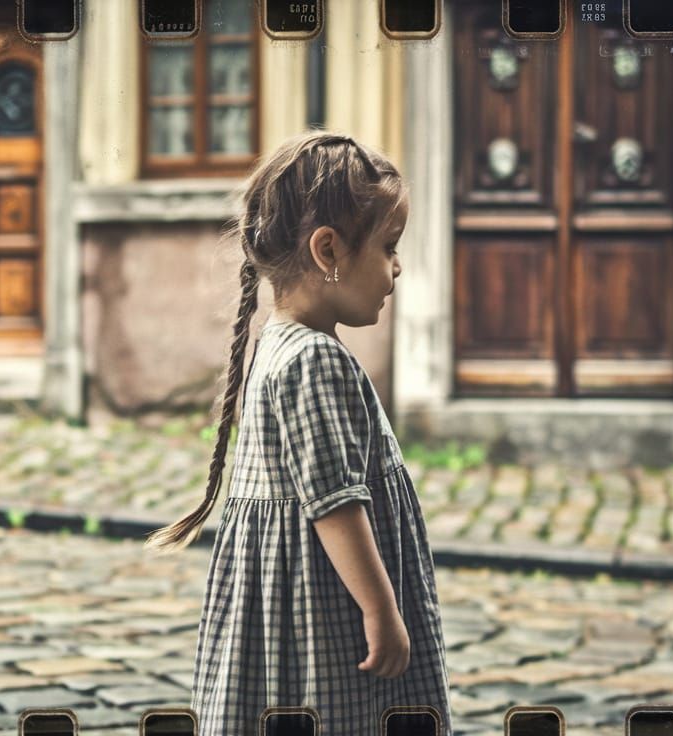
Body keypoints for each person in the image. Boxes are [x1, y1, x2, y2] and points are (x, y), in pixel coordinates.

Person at [145, 130, 452, 736]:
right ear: (329, 250)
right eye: (389, 246)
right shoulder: (313, 360)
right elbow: (335, 504)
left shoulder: (281, 344)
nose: (398, 267)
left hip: (290, 607)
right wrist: (381, 609)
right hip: (324, 612)